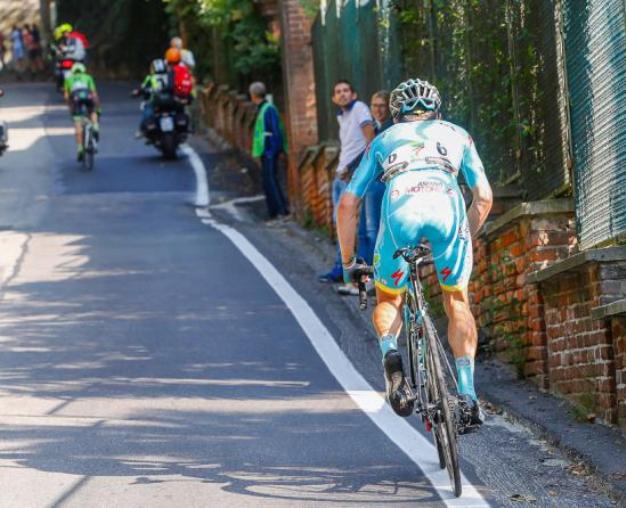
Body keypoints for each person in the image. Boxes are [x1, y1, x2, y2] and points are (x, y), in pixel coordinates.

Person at [336, 78, 493, 424]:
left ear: (394, 115)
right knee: (456, 300)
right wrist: (461, 235)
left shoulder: (382, 141)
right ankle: (467, 397)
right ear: (437, 110)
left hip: (400, 213)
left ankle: (391, 356)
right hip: (447, 210)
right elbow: (483, 197)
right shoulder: (457, 134)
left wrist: (349, 262)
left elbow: (348, 204)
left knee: (390, 299)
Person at [318, 79, 375, 283]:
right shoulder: (342, 116)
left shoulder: (359, 108)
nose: (342, 94)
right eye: (338, 92)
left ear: (354, 95)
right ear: (334, 98)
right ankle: (342, 269)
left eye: (346, 91)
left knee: (351, 226)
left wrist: (355, 169)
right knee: (340, 224)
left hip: (352, 176)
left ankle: (346, 271)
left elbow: (370, 139)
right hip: (341, 175)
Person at [249, 81, 289, 221]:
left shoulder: (268, 109)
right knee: (268, 181)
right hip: (267, 151)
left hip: (269, 152)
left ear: (253, 95)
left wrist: (272, 151)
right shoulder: (264, 108)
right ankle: (276, 210)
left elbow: (274, 132)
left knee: (270, 180)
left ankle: (279, 210)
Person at [64, 62, 100, 161]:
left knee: (78, 123)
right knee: (93, 112)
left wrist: (70, 107)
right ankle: (96, 126)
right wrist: (98, 107)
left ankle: (80, 148)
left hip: (76, 98)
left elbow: (67, 97)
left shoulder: (68, 79)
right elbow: (94, 94)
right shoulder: (88, 77)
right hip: (87, 96)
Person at [135, 58, 169, 137]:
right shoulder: (169, 76)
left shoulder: (150, 78)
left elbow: (142, 88)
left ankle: (141, 130)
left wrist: (138, 92)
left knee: (147, 113)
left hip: (154, 100)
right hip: (168, 100)